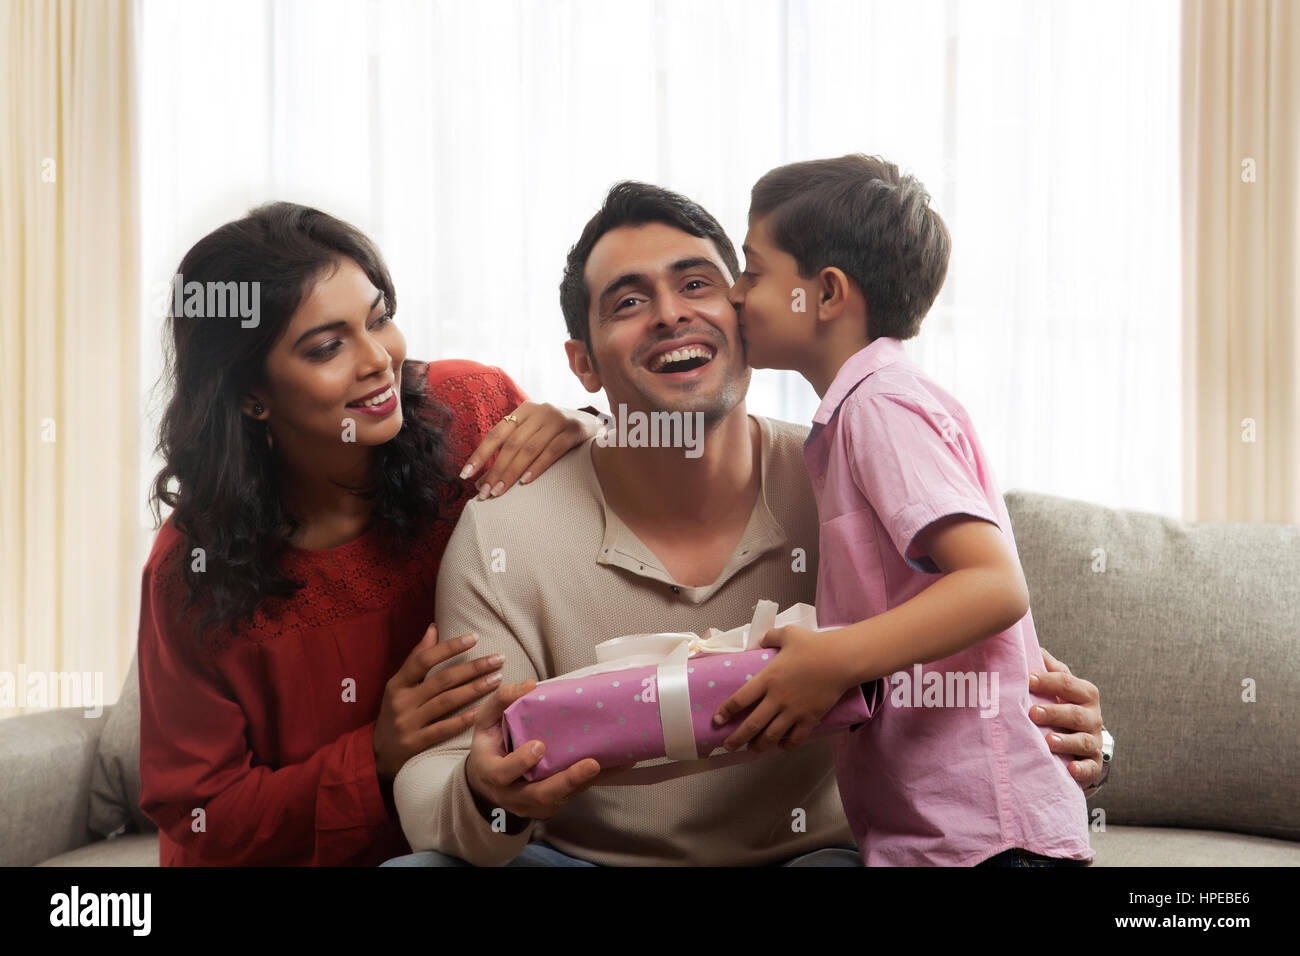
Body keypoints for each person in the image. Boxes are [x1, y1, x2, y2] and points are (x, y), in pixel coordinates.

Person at [386, 182, 1108, 866]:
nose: (671, 313)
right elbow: (441, 775)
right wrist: (488, 795)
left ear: (744, 315)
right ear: (583, 364)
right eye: (628, 301)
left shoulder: (850, 472)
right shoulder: (505, 532)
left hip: (813, 856)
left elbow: (981, 633)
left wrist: (1085, 741)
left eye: (698, 284)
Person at [136, 201, 601, 865]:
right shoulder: (194, 567)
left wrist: (590, 428)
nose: (378, 359)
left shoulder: (471, 409)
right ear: (250, 395)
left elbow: (597, 526)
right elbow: (202, 814)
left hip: (478, 840)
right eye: (327, 347)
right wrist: (375, 756)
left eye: (379, 318)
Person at [713, 155, 1093, 866]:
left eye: (754, 272)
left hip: (984, 844)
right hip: (931, 839)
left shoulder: (881, 406)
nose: (736, 295)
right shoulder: (863, 411)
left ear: (825, 294)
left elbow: (994, 584)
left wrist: (834, 659)